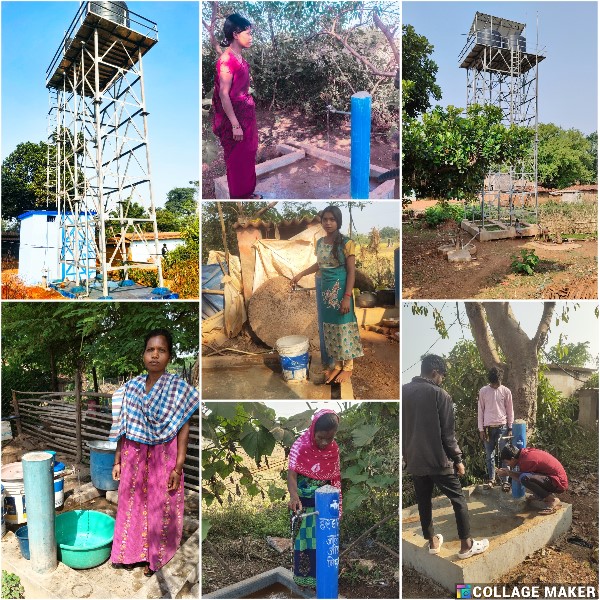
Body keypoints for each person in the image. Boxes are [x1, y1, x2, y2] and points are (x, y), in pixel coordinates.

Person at [108, 328, 199, 576]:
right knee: (131, 503)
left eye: (162, 350)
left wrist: (178, 467)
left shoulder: (179, 389)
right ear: (143, 355)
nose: (155, 355)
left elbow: (184, 431)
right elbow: (123, 426)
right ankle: (128, 554)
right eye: (150, 350)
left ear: (169, 356)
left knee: (161, 505)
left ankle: (154, 558)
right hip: (134, 455)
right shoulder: (131, 388)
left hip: (164, 456)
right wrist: (117, 460)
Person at [403, 354, 489, 559]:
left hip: (414, 460)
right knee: (458, 499)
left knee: (424, 501)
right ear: (435, 373)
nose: (442, 380)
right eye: (442, 376)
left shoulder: (404, 391)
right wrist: (458, 460)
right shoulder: (440, 395)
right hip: (437, 460)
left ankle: (432, 542)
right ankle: (467, 545)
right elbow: (448, 434)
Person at [290, 206, 363, 384]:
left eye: (332, 219)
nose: (328, 223)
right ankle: (337, 365)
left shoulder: (347, 243)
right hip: (325, 290)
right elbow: (319, 265)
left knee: (344, 326)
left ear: (338, 221)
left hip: (341, 290)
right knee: (330, 328)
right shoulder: (320, 242)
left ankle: (348, 368)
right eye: (325, 219)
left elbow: (352, 272)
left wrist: (347, 296)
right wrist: (301, 274)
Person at [287, 409, 341, 588]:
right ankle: (303, 581)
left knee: (324, 543)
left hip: (325, 505)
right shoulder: (300, 446)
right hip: (303, 506)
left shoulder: (334, 449)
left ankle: (323, 581)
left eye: (330, 438)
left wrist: (337, 504)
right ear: (312, 431)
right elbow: (292, 474)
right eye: (321, 437)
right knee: (303, 544)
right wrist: (294, 496)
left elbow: (335, 478)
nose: (325, 443)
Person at [212, 13, 262, 200]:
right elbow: (224, 94)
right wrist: (234, 124)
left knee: (248, 154)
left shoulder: (241, 59)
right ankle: (240, 198)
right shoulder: (226, 61)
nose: (250, 37)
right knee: (237, 160)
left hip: (246, 115)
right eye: (247, 33)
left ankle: (248, 193)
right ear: (235, 34)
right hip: (234, 118)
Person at [498, 444, 568, 515]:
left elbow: (521, 478)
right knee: (526, 476)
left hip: (558, 483)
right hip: (555, 478)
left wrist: (508, 473)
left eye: (507, 462)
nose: (507, 465)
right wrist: (509, 472)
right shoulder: (525, 453)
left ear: (513, 459)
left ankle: (552, 500)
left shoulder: (526, 461)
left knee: (525, 478)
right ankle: (538, 496)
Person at [478, 367, 514, 491]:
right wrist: (481, 429)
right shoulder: (483, 391)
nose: (496, 385)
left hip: (503, 427)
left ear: (501, 380)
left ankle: (505, 482)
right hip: (487, 429)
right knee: (489, 456)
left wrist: (510, 427)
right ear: (490, 381)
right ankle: (491, 480)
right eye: (494, 383)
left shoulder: (506, 391)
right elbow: (480, 410)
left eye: (498, 383)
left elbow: (510, 410)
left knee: (505, 455)